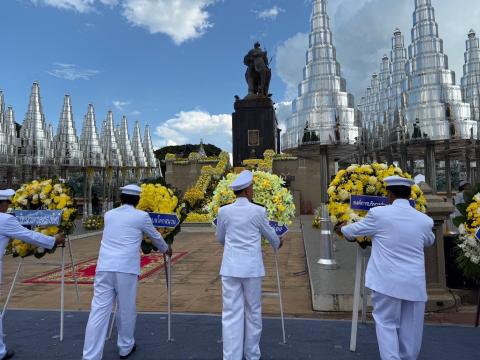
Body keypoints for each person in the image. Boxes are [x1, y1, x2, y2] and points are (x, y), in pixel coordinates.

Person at [335, 176, 435, 360]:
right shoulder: (424, 220)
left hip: (386, 281)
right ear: (409, 194)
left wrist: (342, 228)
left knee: (386, 323)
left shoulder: (379, 214)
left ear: (389, 194)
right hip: (414, 283)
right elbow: (429, 240)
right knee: (411, 327)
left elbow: (353, 231)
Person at [82, 184, 171, 360]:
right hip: (126, 269)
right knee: (126, 308)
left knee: (99, 311)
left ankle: (90, 355)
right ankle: (125, 346)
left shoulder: (109, 215)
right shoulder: (141, 216)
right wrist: (166, 248)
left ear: (121, 199)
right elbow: (155, 236)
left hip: (104, 267)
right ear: (138, 200)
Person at [216, 170, 282, 360]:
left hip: (230, 267)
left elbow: (220, 238)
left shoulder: (224, 211)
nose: (253, 191)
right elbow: (271, 236)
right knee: (253, 311)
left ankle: (231, 356)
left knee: (230, 313)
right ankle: (252, 354)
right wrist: (278, 242)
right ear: (246, 190)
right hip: (252, 269)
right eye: (252, 188)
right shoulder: (258, 211)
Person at [0, 189, 65, 360]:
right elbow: (28, 235)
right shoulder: (5, 219)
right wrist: (53, 240)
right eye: (7, 203)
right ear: (3, 203)